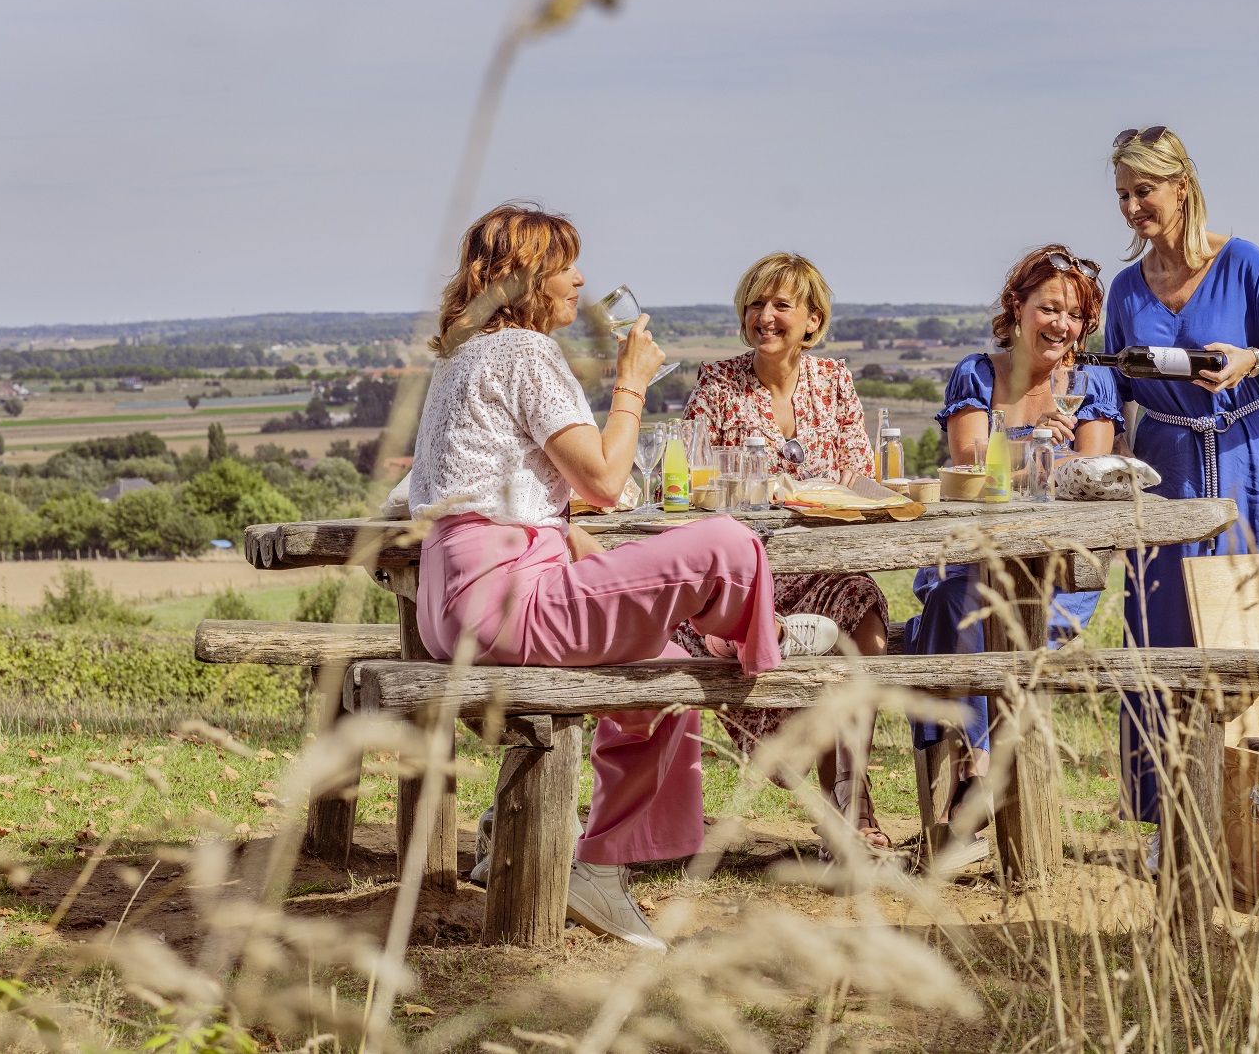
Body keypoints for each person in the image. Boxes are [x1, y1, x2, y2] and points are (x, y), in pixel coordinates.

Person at [408, 204, 839, 949]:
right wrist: (631, 382)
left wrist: (556, 529)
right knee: (727, 543)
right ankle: (759, 633)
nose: (580, 280)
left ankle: (599, 868)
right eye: (565, 266)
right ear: (525, 278)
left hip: (452, 601)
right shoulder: (526, 352)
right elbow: (607, 482)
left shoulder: (462, 355)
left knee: (669, 676)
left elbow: (475, 490)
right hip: (508, 600)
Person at [1103, 127, 1259, 863]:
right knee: (1162, 634)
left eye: (1143, 191)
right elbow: (1110, 389)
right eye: (1122, 195)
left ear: (1181, 186)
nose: (1131, 207)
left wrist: (1253, 359)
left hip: (1250, 461)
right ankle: (1168, 824)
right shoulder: (1125, 289)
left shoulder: (1242, 261)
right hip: (1165, 467)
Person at [904, 244, 1122, 865]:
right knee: (955, 602)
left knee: (961, 624)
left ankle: (966, 804)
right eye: (1049, 308)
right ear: (1017, 308)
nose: (1061, 324)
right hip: (976, 557)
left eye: (1075, 314)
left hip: (1060, 570)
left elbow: (1089, 475)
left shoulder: (1092, 383)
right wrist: (1035, 446)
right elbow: (968, 463)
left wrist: (1029, 459)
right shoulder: (977, 374)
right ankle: (976, 774)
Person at [681, 252, 894, 858]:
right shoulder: (718, 383)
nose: (765, 316)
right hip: (743, 575)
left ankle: (851, 807)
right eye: (756, 304)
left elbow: (861, 475)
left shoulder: (834, 380)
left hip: (820, 564)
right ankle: (773, 645)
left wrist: (846, 486)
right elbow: (692, 478)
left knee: (864, 607)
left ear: (812, 320)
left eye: (781, 305)